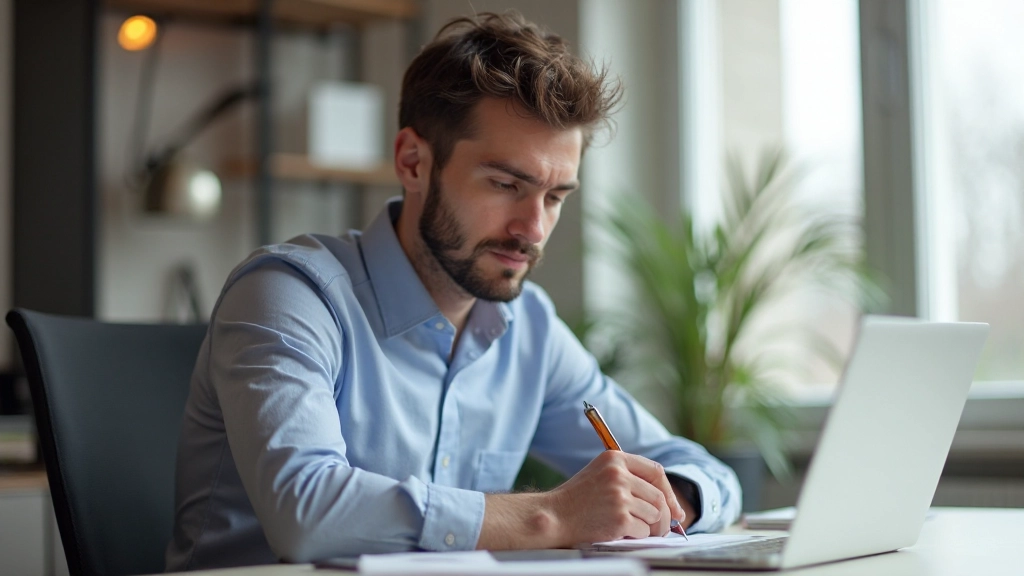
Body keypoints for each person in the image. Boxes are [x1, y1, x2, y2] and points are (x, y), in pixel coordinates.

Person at [166, 11, 741, 571]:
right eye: (505, 184)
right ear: (413, 162)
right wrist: (551, 516)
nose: (533, 229)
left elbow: (698, 470)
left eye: (555, 196)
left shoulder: (530, 331)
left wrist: (670, 499)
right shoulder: (290, 297)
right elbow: (307, 513)